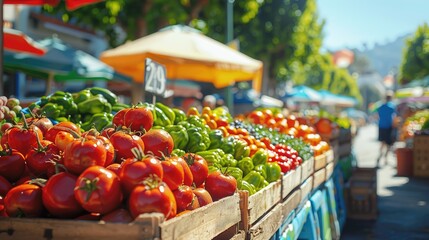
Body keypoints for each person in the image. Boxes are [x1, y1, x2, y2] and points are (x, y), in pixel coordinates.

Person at [376, 91, 397, 166]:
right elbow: (394, 117)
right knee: (388, 144)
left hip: (381, 126)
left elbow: (378, 116)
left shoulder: (380, 106)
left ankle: (379, 157)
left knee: (382, 143)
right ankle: (385, 159)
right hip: (388, 127)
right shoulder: (392, 106)